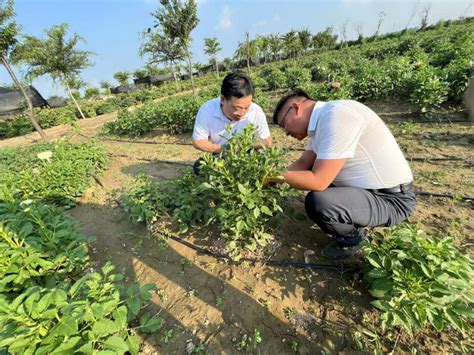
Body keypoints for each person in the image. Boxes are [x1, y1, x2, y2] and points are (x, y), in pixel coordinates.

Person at [269, 89, 416, 259]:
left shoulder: (338, 117)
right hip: (367, 191)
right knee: (309, 179)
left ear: (296, 108)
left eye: (284, 124)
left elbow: (319, 181)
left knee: (319, 201)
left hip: (391, 200)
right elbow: (303, 164)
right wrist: (268, 179)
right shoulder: (323, 122)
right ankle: (353, 216)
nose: (286, 132)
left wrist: (273, 175)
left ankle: (353, 239)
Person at [192, 72, 271, 173]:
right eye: (236, 108)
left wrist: (243, 147)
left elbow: (267, 141)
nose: (242, 113)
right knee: (199, 167)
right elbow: (198, 142)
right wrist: (226, 149)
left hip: (246, 153)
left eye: (246, 107)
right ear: (223, 99)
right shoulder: (207, 109)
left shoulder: (256, 110)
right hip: (220, 154)